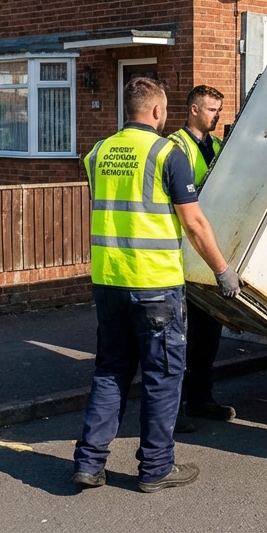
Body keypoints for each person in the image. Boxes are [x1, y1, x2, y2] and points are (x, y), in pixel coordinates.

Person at [72, 77, 242, 493]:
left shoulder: (97, 154)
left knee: (111, 372)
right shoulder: (167, 153)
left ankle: (89, 463)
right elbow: (194, 222)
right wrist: (223, 270)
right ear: (157, 111)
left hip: (109, 281)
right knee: (162, 376)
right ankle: (155, 468)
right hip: (155, 285)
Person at [167, 85, 237, 432]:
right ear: (193, 109)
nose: (217, 116)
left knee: (208, 336)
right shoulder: (176, 147)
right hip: (183, 254)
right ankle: (175, 408)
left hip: (209, 254)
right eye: (212, 110)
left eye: (219, 110)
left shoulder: (219, 146)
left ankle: (201, 399)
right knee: (180, 339)